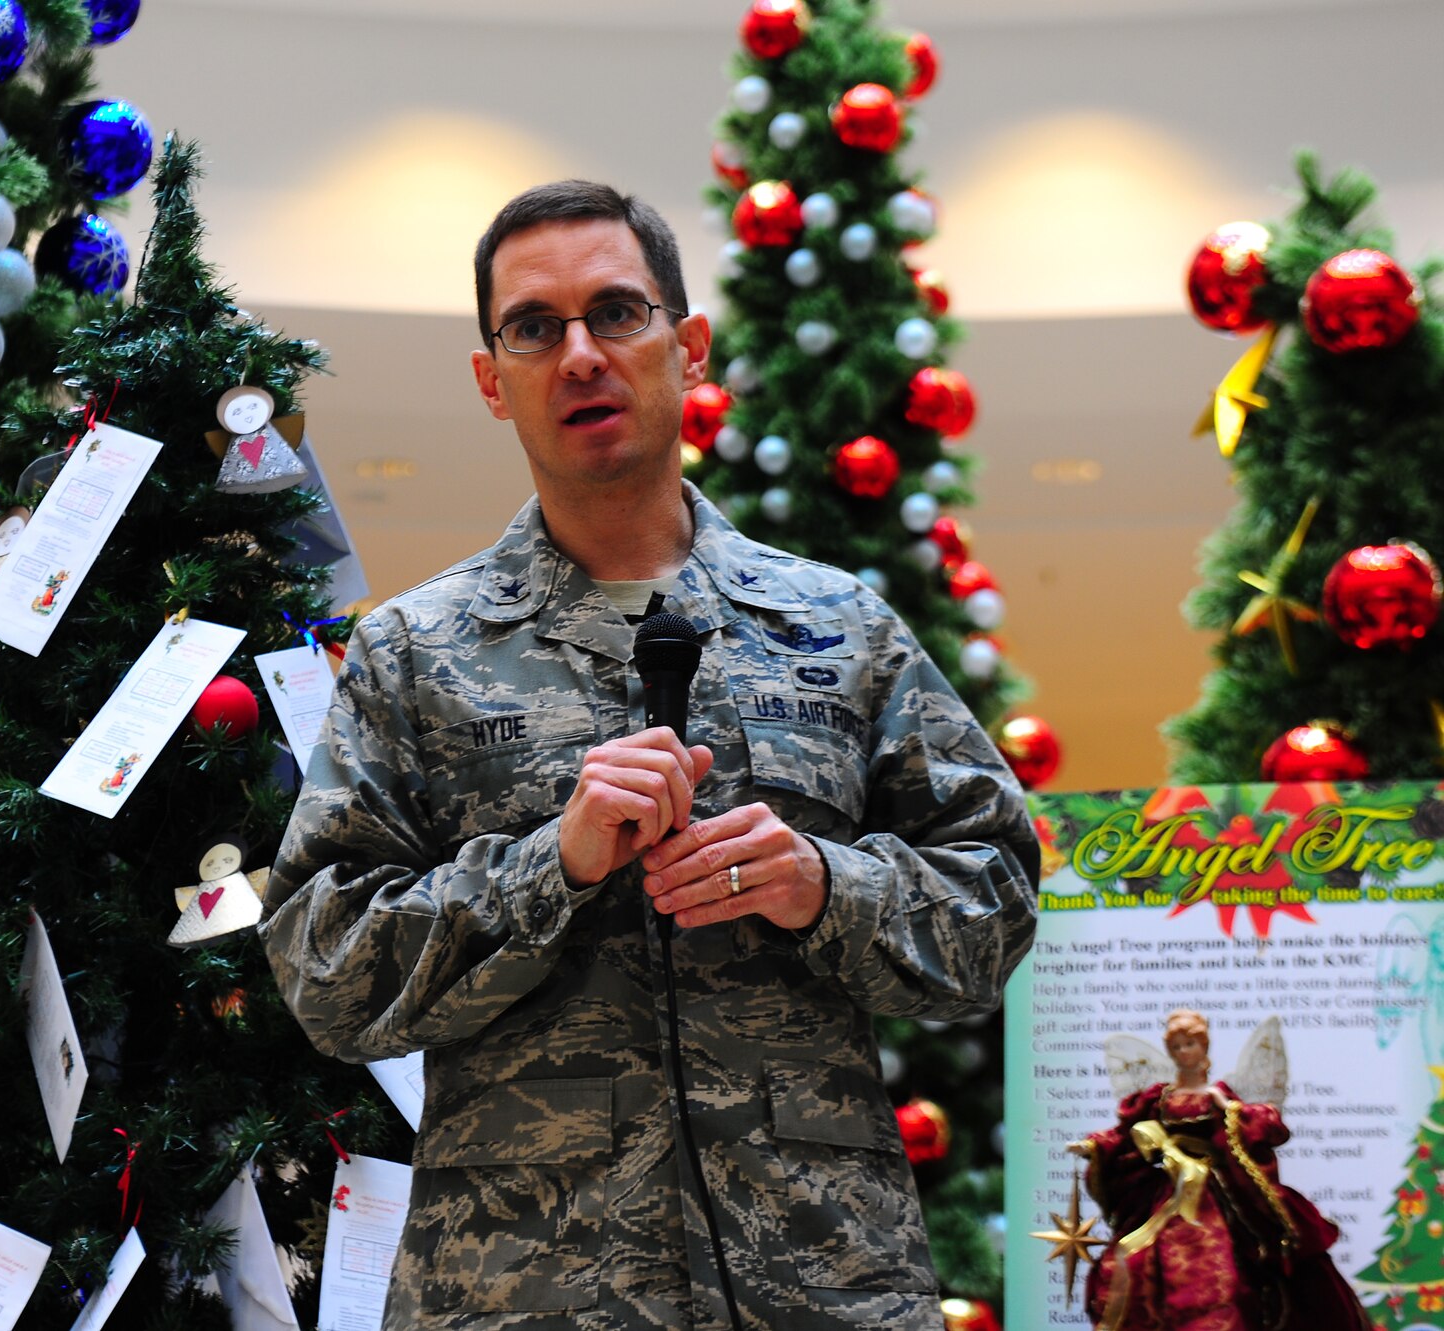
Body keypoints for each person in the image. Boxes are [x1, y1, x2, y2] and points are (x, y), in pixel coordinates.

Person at [260, 181, 1038, 1330]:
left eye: (615, 313)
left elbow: (997, 901)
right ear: (491, 380)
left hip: (820, 1282)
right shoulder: (413, 654)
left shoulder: (838, 626)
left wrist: (825, 882)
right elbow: (323, 969)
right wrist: (550, 866)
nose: (578, 354)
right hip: (524, 1292)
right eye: (533, 327)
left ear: (685, 346)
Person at [1074, 1010, 1367, 1331]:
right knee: (1139, 1258)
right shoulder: (1160, 1098)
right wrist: (1095, 1146)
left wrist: (1232, 1112)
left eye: (1190, 1044)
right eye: (1177, 1046)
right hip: (1170, 1192)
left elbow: (1263, 1125)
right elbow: (1125, 1133)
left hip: (1217, 1192)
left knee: (1232, 1266)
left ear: (1204, 1047)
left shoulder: (1217, 1095)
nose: (1184, 1052)